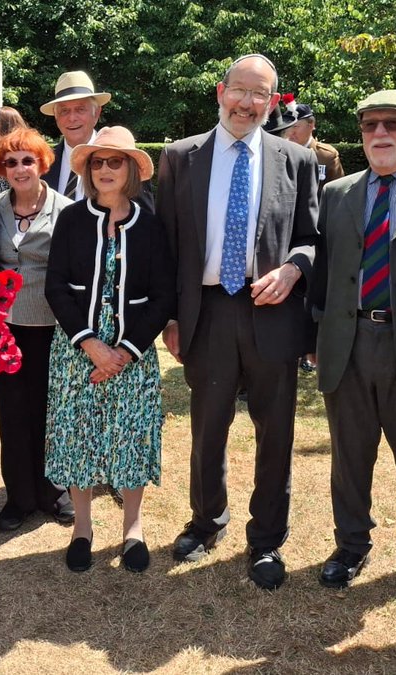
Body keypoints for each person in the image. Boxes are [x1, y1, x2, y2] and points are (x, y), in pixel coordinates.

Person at [157, 54, 319, 590]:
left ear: (272, 102)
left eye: (260, 94)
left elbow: (312, 238)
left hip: (272, 312)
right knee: (208, 427)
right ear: (220, 92)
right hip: (206, 313)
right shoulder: (178, 157)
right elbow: (167, 245)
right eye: (240, 91)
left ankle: (267, 538)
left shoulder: (296, 160)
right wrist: (172, 317)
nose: (248, 103)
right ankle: (206, 522)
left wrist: (294, 270)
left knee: (276, 433)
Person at [309, 90, 396, 607]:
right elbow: (323, 275)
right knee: (349, 456)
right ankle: (351, 546)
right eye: (370, 125)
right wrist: (316, 339)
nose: (380, 133)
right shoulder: (338, 193)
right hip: (347, 344)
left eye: (393, 123)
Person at [43, 126, 176, 573]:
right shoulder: (71, 219)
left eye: (114, 161)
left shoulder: (150, 225)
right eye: (97, 162)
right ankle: (82, 527)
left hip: (132, 347)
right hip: (77, 346)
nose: (105, 169)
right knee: (78, 434)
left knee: (131, 435)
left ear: (131, 169)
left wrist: (126, 351)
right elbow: (56, 286)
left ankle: (132, 528)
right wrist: (90, 344)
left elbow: (163, 294)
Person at [0, 127, 74, 531]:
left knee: (50, 412)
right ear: (2, 168)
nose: (20, 168)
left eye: (28, 160)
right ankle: (18, 497)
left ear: (42, 163)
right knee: (12, 413)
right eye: (11, 162)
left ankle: (54, 492)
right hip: (5, 328)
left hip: (51, 325)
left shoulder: (66, 210)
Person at [40, 71, 153, 214]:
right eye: (64, 111)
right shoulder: (41, 163)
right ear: (56, 117)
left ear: (97, 113)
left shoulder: (126, 162)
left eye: (80, 109)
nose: (72, 118)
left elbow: (145, 219)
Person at [284, 103, 345, 192]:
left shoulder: (326, 156)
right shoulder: (281, 153)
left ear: (311, 125)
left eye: (295, 126)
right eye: (288, 126)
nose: (290, 132)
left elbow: (338, 192)